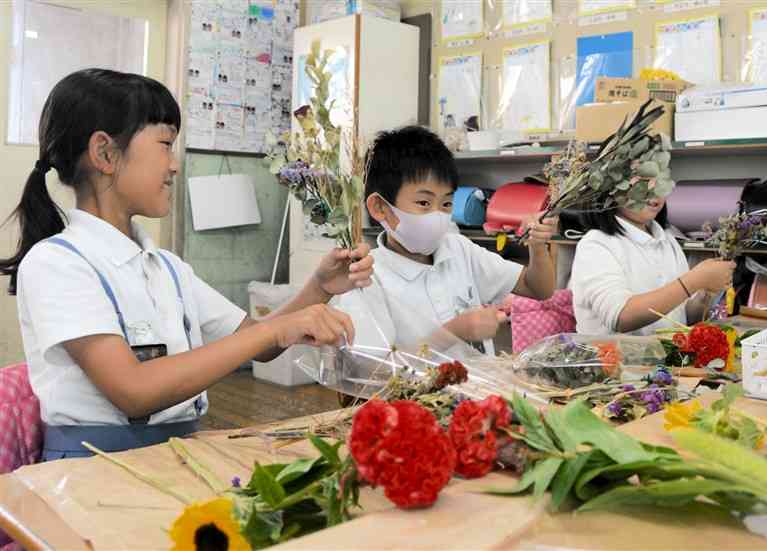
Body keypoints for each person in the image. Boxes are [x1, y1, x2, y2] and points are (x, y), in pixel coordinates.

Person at [0, 68, 373, 460]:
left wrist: (320, 288)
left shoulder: (167, 268)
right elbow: (133, 391)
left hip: (177, 455)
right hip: (92, 469)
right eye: (165, 145)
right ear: (105, 153)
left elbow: (257, 344)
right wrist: (275, 331)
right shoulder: (56, 264)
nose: (175, 165)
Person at [333, 125, 558, 354]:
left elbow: (538, 288)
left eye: (446, 204)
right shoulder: (367, 276)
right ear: (380, 207)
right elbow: (373, 373)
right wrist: (452, 332)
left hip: (481, 388)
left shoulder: (458, 249)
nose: (437, 216)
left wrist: (538, 247)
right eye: (423, 203)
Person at [570, 198, 735, 336]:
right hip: (613, 367)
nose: (655, 190)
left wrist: (704, 292)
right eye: (642, 179)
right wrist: (694, 280)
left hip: (666, 366)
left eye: (660, 178)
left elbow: (682, 316)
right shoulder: (596, 244)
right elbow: (621, 317)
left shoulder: (667, 240)